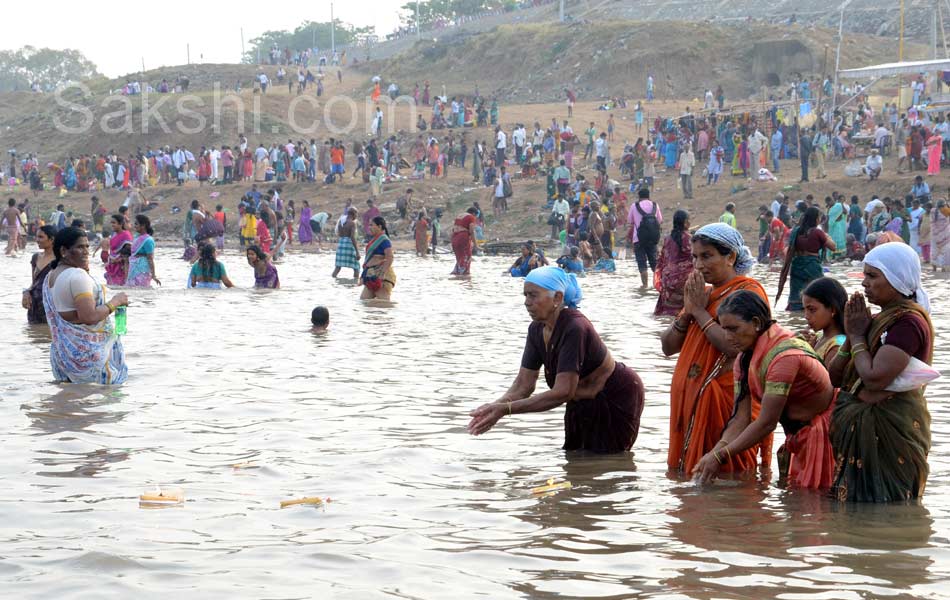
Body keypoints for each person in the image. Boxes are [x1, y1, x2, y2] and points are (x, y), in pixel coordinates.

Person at [467, 267, 645, 453]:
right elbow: (523, 385)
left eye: (533, 295)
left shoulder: (575, 327)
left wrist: (506, 409)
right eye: (525, 295)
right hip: (580, 399)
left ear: (557, 298)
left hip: (616, 394)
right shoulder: (536, 330)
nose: (527, 303)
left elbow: (563, 392)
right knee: (575, 459)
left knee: (608, 461)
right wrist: (494, 408)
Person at [692, 291, 835, 489]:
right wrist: (715, 453)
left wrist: (720, 455)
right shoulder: (743, 359)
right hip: (798, 435)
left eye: (733, 329)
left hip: (826, 433)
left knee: (815, 507)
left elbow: (767, 423)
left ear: (757, 323)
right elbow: (741, 418)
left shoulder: (784, 357)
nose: (727, 337)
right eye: (724, 329)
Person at [828, 242, 934, 502]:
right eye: (864, 275)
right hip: (862, 429)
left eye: (873, 276)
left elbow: (874, 378)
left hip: (892, 430)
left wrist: (855, 335)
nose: (864, 283)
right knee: (853, 513)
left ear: (897, 279)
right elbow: (834, 377)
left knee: (888, 505)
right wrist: (852, 338)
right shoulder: (876, 321)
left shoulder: (908, 324)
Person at [660, 223, 769, 474]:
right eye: (695, 257)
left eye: (707, 256)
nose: (698, 265)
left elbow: (734, 347)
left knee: (729, 475)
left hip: (727, 400)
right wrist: (688, 311)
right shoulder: (702, 294)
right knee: (691, 484)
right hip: (690, 399)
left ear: (730, 256)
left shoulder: (749, 292)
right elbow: (667, 347)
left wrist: (698, 311)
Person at [42, 227, 129, 384]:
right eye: (80, 247)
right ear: (63, 250)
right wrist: (117, 302)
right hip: (89, 358)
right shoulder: (76, 276)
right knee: (104, 404)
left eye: (87, 246)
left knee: (70, 404)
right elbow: (89, 317)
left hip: (63, 358)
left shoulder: (51, 276)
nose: (86, 251)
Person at [776, 207, 837, 311]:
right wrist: (827, 236)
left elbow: (789, 251)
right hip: (812, 267)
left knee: (796, 297)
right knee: (818, 294)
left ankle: (795, 315)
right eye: (818, 217)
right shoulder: (817, 232)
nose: (819, 220)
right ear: (815, 219)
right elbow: (833, 247)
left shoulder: (796, 231)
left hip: (797, 267)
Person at [800, 277, 848, 366]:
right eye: (804, 309)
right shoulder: (817, 338)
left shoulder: (838, 345)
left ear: (833, 310)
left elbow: (823, 379)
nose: (806, 316)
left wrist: (806, 351)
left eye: (812, 309)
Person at [654, 210, 693, 317]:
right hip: (683, 280)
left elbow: (661, 259)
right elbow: (695, 258)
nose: (690, 223)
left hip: (667, 279)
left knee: (667, 315)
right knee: (683, 315)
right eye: (689, 220)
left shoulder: (667, 238)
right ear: (685, 222)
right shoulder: (689, 238)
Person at [627, 188, 662, 288]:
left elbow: (630, 221)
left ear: (639, 196)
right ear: (649, 196)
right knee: (654, 264)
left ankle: (645, 286)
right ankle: (658, 286)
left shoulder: (634, 206)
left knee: (642, 264)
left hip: (638, 239)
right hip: (653, 239)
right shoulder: (655, 205)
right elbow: (660, 220)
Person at [22, 225, 56, 324]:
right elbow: (34, 283)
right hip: (35, 307)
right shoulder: (36, 257)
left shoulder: (60, 260)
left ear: (52, 239)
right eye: (36, 237)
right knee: (35, 336)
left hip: (51, 307)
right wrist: (26, 292)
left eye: (41, 237)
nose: (37, 240)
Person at [361, 216, 395, 300]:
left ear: (379, 227)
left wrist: (382, 273)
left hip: (381, 275)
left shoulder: (384, 240)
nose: (369, 228)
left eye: (372, 225)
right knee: (364, 301)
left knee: (384, 302)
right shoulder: (375, 240)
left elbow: (390, 257)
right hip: (371, 274)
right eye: (369, 225)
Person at [126, 215, 160, 287]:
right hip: (133, 267)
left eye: (136, 224)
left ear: (143, 225)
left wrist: (153, 275)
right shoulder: (137, 237)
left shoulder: (148, 240)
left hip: (142, 269)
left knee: (140, 288)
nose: (134, 226)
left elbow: (150, 258)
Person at [102, 214, 133, 286]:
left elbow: (128, 253)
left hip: (121, 267)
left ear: (121, 224)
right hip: (112, 265)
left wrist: (118, 260)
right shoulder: (114, 234)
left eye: (114, 223)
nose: (112, 225)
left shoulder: (126, 235)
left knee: (120, 287)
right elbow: (112, 249)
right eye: (111, 223)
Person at [333, 207, 361, 278]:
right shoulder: (352, 223)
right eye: (356, 214)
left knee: (338, 267)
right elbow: (352, 237)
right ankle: (355, 284)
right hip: (349, 245)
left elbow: (339, 234)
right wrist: (357, 252)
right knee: (356, 267)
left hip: (341, 244)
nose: (356, 216)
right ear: (353, 214)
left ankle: (333, 280)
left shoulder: (341, 222)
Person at [451, 207, 478, 276]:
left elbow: (453, 229)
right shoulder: (471, 217)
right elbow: (471, 231)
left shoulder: (459, 216)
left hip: (454, 237)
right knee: (467, 255)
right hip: (463, 237)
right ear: (474, 213)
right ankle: (464, 275)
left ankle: (457, 272)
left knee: (459, 257)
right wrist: (476, 244)